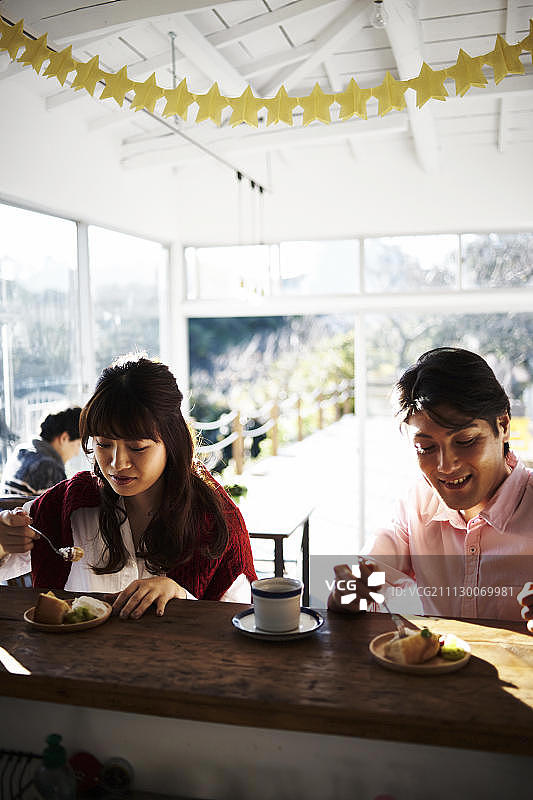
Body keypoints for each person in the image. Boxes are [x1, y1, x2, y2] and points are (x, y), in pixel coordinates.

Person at [0, 356, 257, 617]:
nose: (117, 463)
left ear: (172, 441)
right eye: (103, 444)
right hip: (74, 658)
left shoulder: (215, 517)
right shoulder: (67, 504)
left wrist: (182, 597)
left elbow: (242, 619)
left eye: (137, 447)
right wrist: (2, 540)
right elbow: (8, 559)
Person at [328, 347, 533, 623]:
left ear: (504, 425)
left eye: (466, 441)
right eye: (425, 448)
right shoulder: (417, 505)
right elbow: (355, 587)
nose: (445, 466)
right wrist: (349, 590)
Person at [1, 407, 82, 495]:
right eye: (78, 444)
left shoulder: (21, 451)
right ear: (64, 438)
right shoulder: (49, 467)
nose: (76, 453)